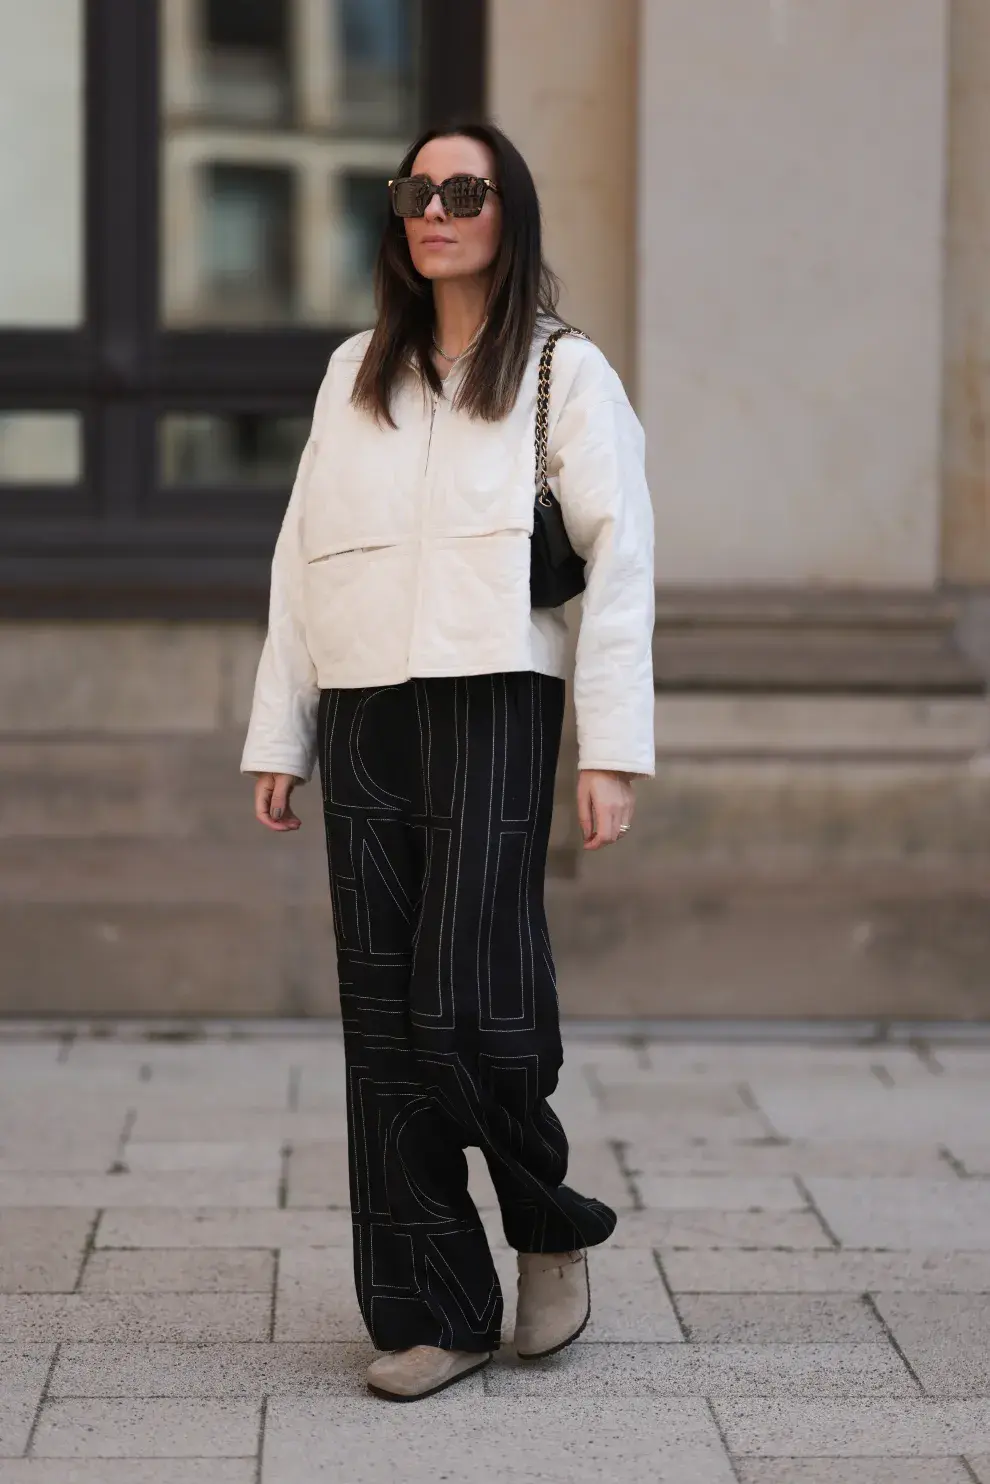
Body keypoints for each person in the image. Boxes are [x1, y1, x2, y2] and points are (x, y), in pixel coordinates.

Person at [241, 119, 655, 1402]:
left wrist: (613, 747)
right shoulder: (354, 371)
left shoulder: (562, 372)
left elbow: (621, 556)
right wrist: (281, 728)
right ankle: (435, 1306)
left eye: (463, 189)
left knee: (467, 998)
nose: (436, 209)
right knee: (385, 1024)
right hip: (364, 708)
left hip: (495, 704)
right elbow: (300, 556)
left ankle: (544, 1219)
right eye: (416, 190)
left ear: (505, 212)